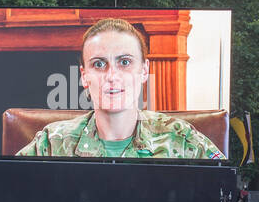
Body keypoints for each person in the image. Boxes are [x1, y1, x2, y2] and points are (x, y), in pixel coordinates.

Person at [15, 18, 227, 159]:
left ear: (144, 70)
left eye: (124, 62)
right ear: (84, 76)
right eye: (99, 64)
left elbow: (225, 197)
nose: (112, 76)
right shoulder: (51, 144)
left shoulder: (181, 140)